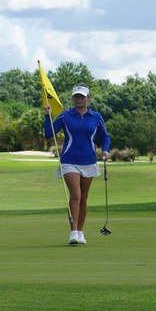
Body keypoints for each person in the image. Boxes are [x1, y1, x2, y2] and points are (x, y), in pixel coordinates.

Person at [44, 83, 110, 245]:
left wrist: (105, 150)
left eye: (82, 96)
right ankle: (73, 232)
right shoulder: (64, 116)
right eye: (76, 96)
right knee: (76, 195)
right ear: (72, 98)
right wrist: (47, 115)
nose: (79, 99)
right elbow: (48, 134)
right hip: (69, 160)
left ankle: (80, 231)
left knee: (84, 198)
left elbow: (105, 136)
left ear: (88, 98)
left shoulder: (96, 117)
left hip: (88, 160)